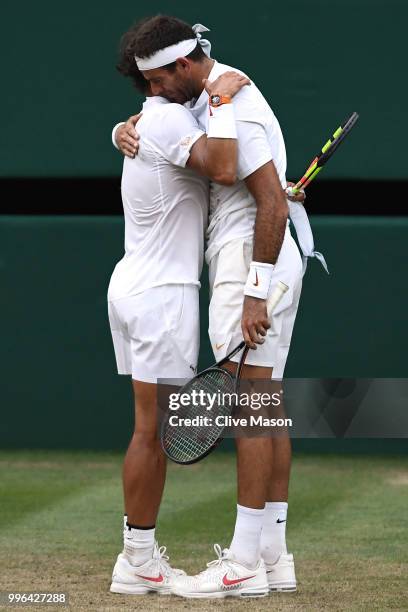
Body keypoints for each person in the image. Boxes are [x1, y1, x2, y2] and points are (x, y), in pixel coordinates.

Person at [113, 16, 316, 599]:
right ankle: (273, 557)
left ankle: (244, 563)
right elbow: (165, 130)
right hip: (265, 256)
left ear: (181, 67)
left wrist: (255, 290)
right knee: (265, 404)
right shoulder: (202, 101)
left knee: (250, 408)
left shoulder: (234, 104)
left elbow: (269, 204)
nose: (152, 95)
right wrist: (124, 129)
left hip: (249, 257)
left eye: (155, 83)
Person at [107, 22, 250, 596]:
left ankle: (138, 555)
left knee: (151, 429)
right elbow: (220, 167)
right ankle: (137, 561)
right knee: (154, 432)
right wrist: (220, 99)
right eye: (183, 66)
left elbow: (221, 173)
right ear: (157, 77)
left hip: (138, 287)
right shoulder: (166, 117)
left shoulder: (156, 118)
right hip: (161, 296)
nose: (196, 71)